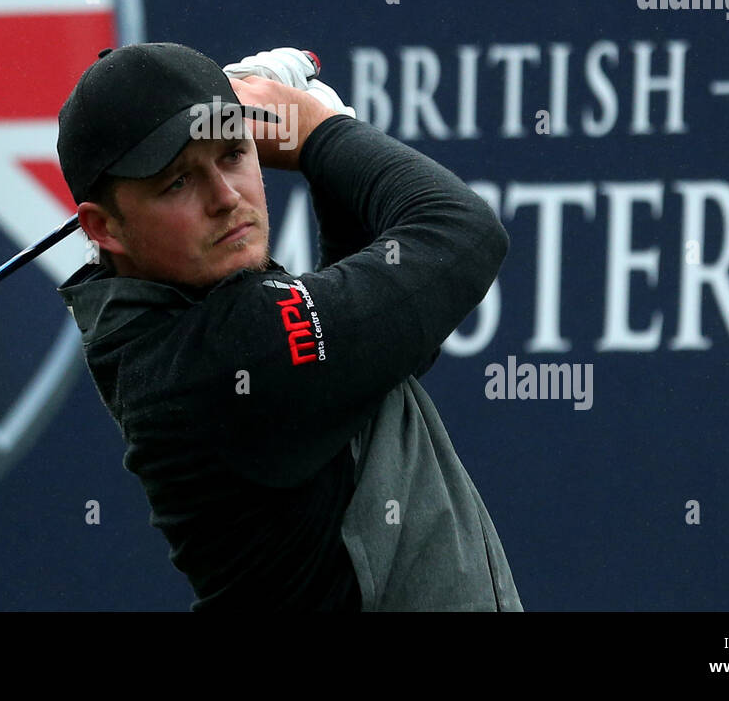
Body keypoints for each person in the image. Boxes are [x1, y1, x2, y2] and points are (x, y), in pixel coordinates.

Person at [56, 41, 522, 611]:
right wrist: (321, 134)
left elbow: (385, 344)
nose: (227, 199)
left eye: (232, 153)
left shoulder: (173, 322)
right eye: (177, 182)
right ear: (104, 227)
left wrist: (323, 142)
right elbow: (464, 233)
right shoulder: (231, 350)